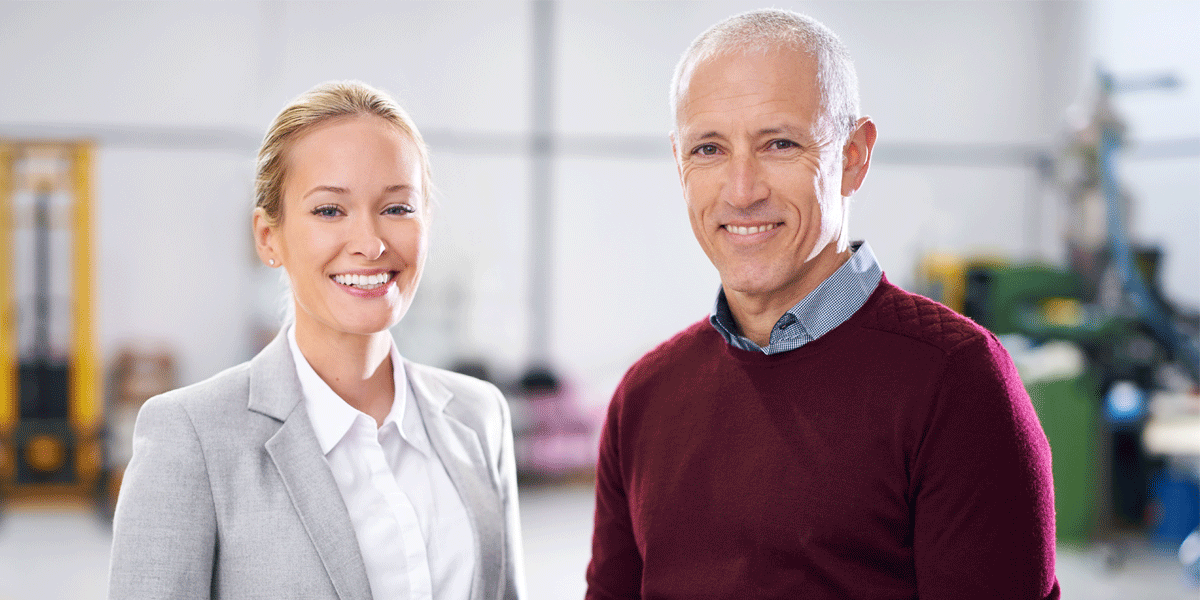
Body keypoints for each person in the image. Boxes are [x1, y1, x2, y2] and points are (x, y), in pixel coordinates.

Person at [586, 9, 1060, 600]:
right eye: (708, 149)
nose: (741, 191)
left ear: (854, 157)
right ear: (679, 164)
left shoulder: (957, 382)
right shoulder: (645, 396)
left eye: (780, 143)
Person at [109, 81, 525, 600]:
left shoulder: (478, 418)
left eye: (397, 208)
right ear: (269, 237)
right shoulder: (192, 439)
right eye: (330, 210)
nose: (371, 243)